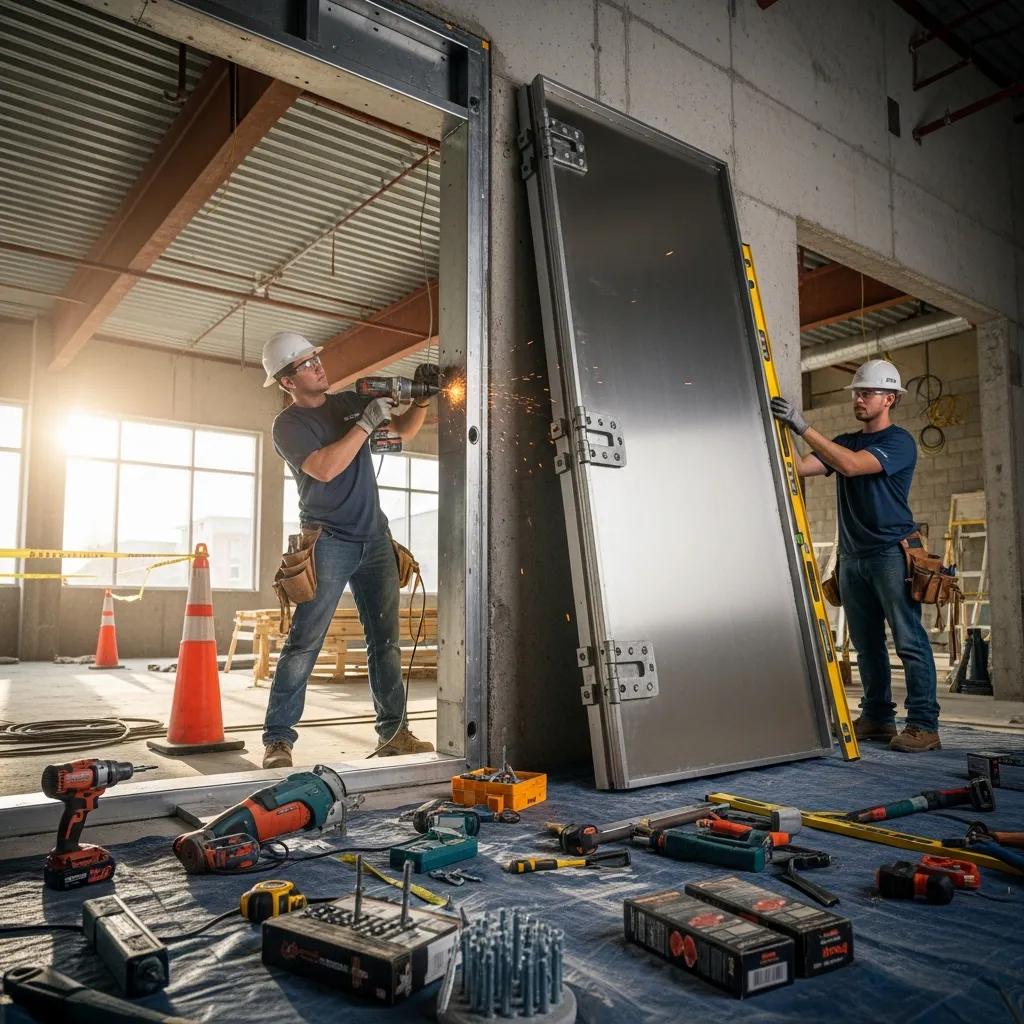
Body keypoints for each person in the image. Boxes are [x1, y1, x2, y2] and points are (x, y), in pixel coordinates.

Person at [260, 330, 436, 768]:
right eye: (305, 364)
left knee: (385, 641)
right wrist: (364, 421)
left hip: (374, 539)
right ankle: (278, 740)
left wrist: (422, 401)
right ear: (287, 381)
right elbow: (324, 467)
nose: (318, 365)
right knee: (305, 641)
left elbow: (402, 433)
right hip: (328, 541)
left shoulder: (345, 404)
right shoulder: (289, 425)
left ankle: (393, 732)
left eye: (315, 358)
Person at [770, 359, 941, 753]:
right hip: (853, 556)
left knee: (909, 641)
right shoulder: (846, 440)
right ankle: (879, 717)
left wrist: (803, 425)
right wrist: (784, 428)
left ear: (890, 399)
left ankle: (923, 724)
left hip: (891, 554)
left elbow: (849, 466)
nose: (859, 399)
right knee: (866, 644)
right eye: (856, 393)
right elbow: (798, 467)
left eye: (867, 393)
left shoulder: (899, 443)